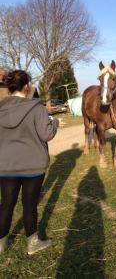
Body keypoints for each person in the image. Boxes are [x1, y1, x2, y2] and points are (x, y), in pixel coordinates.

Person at [0, 70, 59, 255]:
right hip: (33, 166)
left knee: (6, 204)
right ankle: (33, 243)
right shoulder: (36, 107)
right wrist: (55, 122)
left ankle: (0, 243)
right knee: (29, 205)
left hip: (5, 166)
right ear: (27, 87)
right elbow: (47, 134)